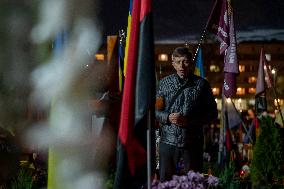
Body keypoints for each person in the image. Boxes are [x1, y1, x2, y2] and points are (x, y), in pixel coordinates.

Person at [155, 46, 218, 181]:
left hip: (192, 143)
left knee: (194, 182)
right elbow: (155, 111)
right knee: (165, 181)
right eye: (177, 62)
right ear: (173, 64)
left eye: (185, 61)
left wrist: (189, 121)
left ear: (190, 62)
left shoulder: (202, 85)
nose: (181, 66)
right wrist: (167, 117)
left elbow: (212, 113)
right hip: (168, 142)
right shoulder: (163, 84)